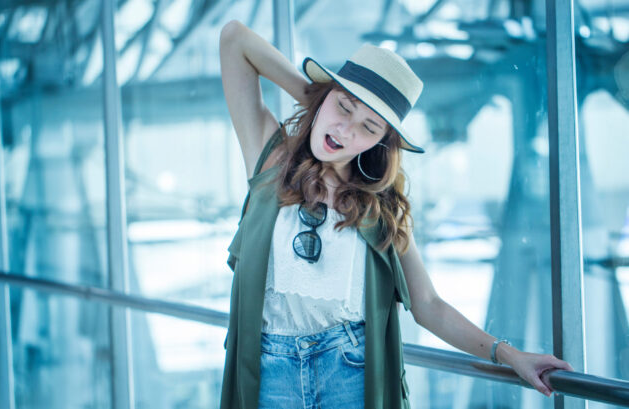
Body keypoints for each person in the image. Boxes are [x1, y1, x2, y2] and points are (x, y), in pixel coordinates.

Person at [218, 20, 574, 409]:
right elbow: (235, 38)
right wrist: (320, 102)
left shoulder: (382, 208)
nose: (347, 130)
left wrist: (510, 356)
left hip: (350, 370)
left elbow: (428, 305)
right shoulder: (272, 160)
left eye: (368, 127)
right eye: (343, 106)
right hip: (271, 372)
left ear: (380, 142)